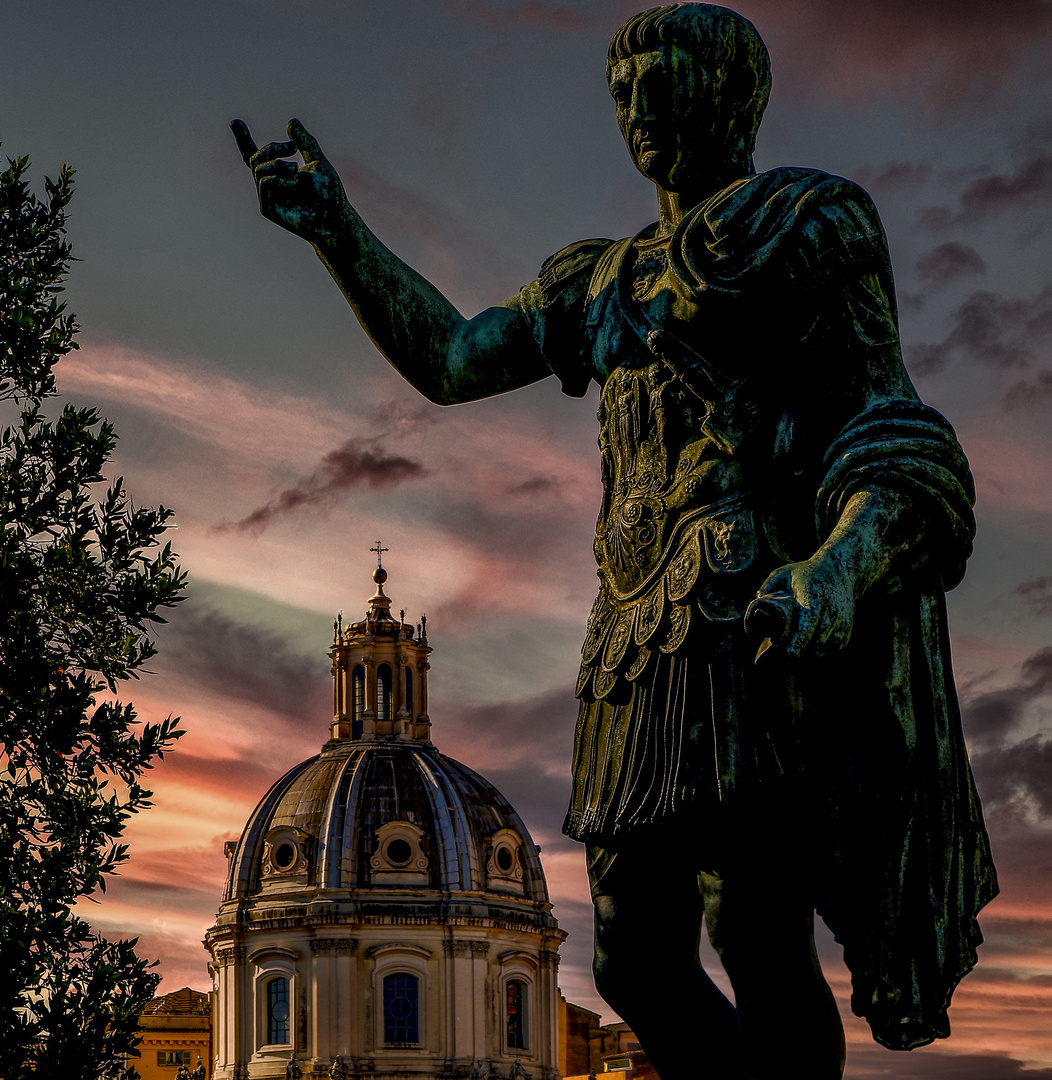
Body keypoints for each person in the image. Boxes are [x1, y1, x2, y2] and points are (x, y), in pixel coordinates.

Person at [230, 5, 996, 1078]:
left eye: (660, 79)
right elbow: (453, 359)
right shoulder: (600, 278)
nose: (635, 108)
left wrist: (840, 566)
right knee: (634, 959)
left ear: (731, 94)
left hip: (751, 614)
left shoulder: (809, 221)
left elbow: (888, 422)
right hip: (635, 635)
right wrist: (338, 233)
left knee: (758, 937)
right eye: (622, 88)